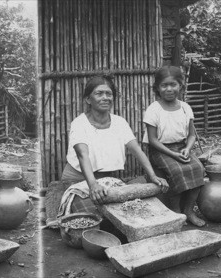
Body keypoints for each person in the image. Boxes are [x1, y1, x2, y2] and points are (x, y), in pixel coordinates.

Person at [59, 76, 169, 216]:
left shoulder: (119, 122)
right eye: (99, 93)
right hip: (78, 180)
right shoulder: (79, 124)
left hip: (107, 181)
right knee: (93, 215)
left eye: (109, 94)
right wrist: (93, 185)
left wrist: (152, 175)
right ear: (88, 100)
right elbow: (82, 155)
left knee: (126, 212)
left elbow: (137, 150)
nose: (105, 97)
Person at [143, 65, 206, 227]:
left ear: (181, 86)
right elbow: (152, 140)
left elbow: (191, 135)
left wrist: (187, 148)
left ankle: (189, 210)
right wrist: (172, 154)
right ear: (157, 88)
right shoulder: (153, 110)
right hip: (160, 150)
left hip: (181, 147)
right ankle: (176, 212)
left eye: (173, 85)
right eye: (164, 85)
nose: (169, 89)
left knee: (198, 169)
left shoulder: (185, 108)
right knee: (177, 171)